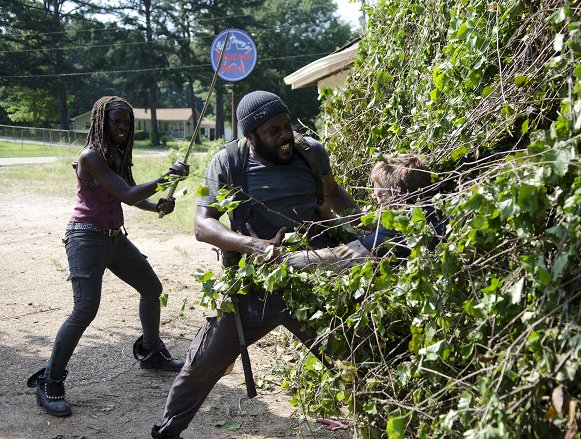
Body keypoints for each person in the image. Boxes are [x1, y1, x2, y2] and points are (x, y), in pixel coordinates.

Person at [151, 90, 358, 438]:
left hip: (312, 286)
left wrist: (368, 229)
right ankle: (167, 431)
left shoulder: (312, 152)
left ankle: (378, 419)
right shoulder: (225, 163)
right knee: (201, 364)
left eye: (287, 126)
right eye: (273, 131)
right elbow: (203, 224)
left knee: (351, 356)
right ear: (250, 136)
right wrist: (252, 244)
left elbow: (334, 193)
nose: (285, 136)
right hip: (253, 288)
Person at [27, 96, 190, 418]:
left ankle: (152, 352)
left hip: (115, 238)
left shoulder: (116, 155)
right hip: (86, 238)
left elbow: (127, 195)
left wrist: (156, 205)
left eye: (127, 123)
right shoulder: (91, 157)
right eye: (116, 121)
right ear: (101, 122)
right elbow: (129, 193)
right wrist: (167, 179)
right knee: (85, 308)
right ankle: (50, 381)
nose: (123, 128)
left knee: (151, 289)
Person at [284, 153, 446, 271]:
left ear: (401, 196)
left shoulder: (398, 231)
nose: (377, 200)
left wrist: (279, 258)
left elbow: (337, 258)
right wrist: (331, 219)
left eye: (381, 194)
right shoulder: (440, 209)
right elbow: (370, 240)